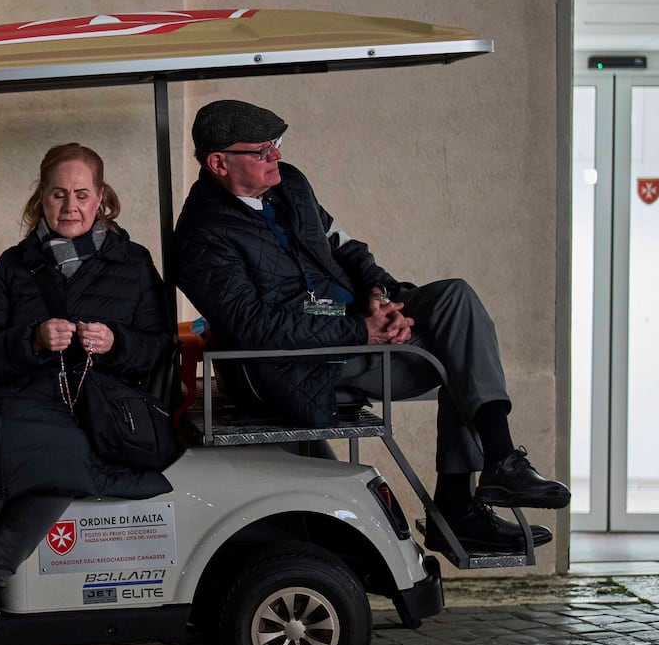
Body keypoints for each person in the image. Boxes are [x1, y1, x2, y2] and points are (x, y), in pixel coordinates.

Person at [173, 100, 568, 555]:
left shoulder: (290, 184)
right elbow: (257, 328)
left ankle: (498, 462)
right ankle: (459, 507)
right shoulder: (200, 237)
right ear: (219, 162)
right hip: (302, 361)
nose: (276, 158)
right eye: (262, 151)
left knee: (454, 298)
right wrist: (363, 331)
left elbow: (344, 246)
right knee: (459, 355)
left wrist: (380, 296)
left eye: (278, 145)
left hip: (358, 320)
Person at [0, 143, 175, 633]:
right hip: (18, 396)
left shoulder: (132, 263)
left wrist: (116, 342)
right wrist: (31, 340)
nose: (71, 206)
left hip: (93, 408)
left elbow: (158, 348)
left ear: (102, 198)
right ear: (41, 200)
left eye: (82, 194)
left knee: (55, 463)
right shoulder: (14, 264)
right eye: (58, 194)